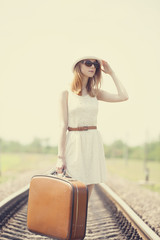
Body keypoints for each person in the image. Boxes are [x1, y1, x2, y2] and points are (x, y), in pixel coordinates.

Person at [56, 56, 129, 200]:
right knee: (72, 191)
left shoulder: (95, 92)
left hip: (93, 141)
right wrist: (60, 157)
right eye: (88, 63)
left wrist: (112, 73)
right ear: (78, 66)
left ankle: (81, 223)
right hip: (74, 141)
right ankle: (68, 222)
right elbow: (62, 125)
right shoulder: (66, 93)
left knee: (86, 197)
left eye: (95, 64)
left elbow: (123, 96)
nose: (93, 67)